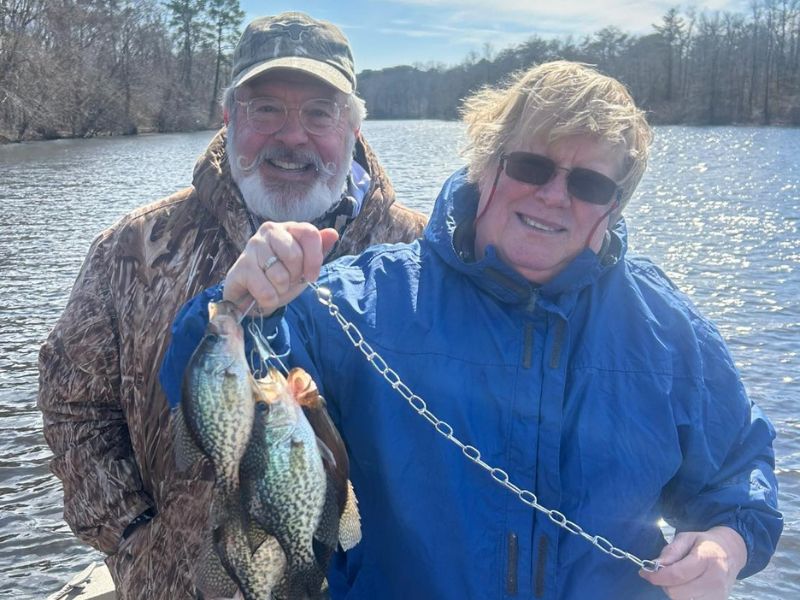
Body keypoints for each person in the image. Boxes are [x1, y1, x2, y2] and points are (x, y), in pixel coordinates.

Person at [161, 61, 783, 599]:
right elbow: (206, 390)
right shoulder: (359, 300)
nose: (554, 196)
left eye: (590, 183)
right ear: (485, 164)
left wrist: (724, 547)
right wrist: (237, 304)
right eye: (531, 166)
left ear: (613, 205)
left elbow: (739, 477)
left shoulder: (669, 329)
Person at [37, 12, 427, 599]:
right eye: (265, 109)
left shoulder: (417, 256)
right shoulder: (136, 246)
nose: (292, 136)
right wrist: (133, 536)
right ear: (229, 119)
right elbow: (74, 409)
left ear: (353, 125)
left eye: (319, 112)